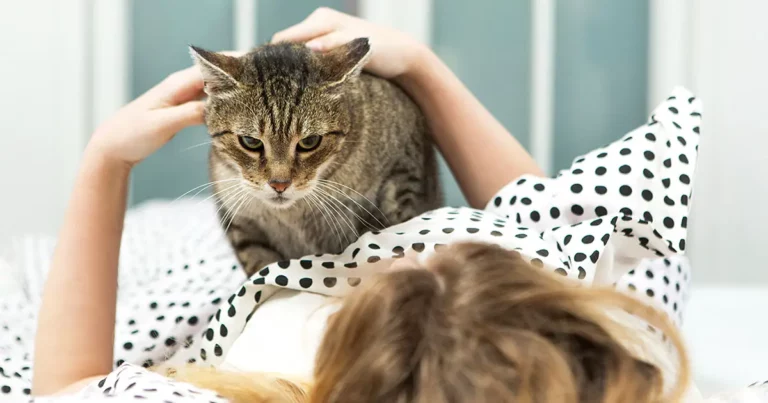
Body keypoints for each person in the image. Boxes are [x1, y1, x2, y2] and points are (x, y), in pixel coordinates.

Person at [10, 7, 760, 403]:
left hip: (183, 288)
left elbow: (67, 391)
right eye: (476, 257)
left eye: (409, 271)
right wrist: (422, 65)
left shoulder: (263, 377)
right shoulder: (626, 350)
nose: (425, 244)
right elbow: (547, 215)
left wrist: (103, 161)